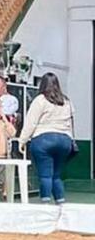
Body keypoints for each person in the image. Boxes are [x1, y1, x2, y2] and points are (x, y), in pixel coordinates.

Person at [20, 72, 75, 204]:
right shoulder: (66, 101)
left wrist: (22, 140)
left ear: (42, 84)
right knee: (56, 176)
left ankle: (45, 204)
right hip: (64, 140)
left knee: (45, 175)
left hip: (43, 139)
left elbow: (31, 122)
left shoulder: (40, 100)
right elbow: (71, 123)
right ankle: (60, 204)